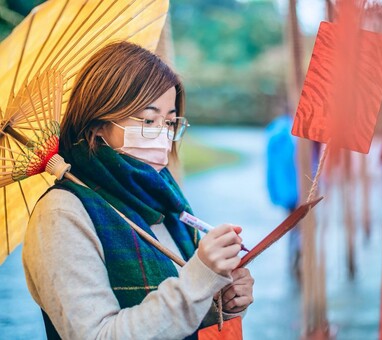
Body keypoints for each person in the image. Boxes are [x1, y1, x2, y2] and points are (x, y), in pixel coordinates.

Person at [22, 41, 254, 339]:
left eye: (170, 122)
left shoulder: (164, 200)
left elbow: (166, 316)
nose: (163, 135)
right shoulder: (61, 214)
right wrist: (199, 277)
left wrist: (218, 301)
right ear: (98, 125)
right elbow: (97, 335)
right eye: (147, 119)